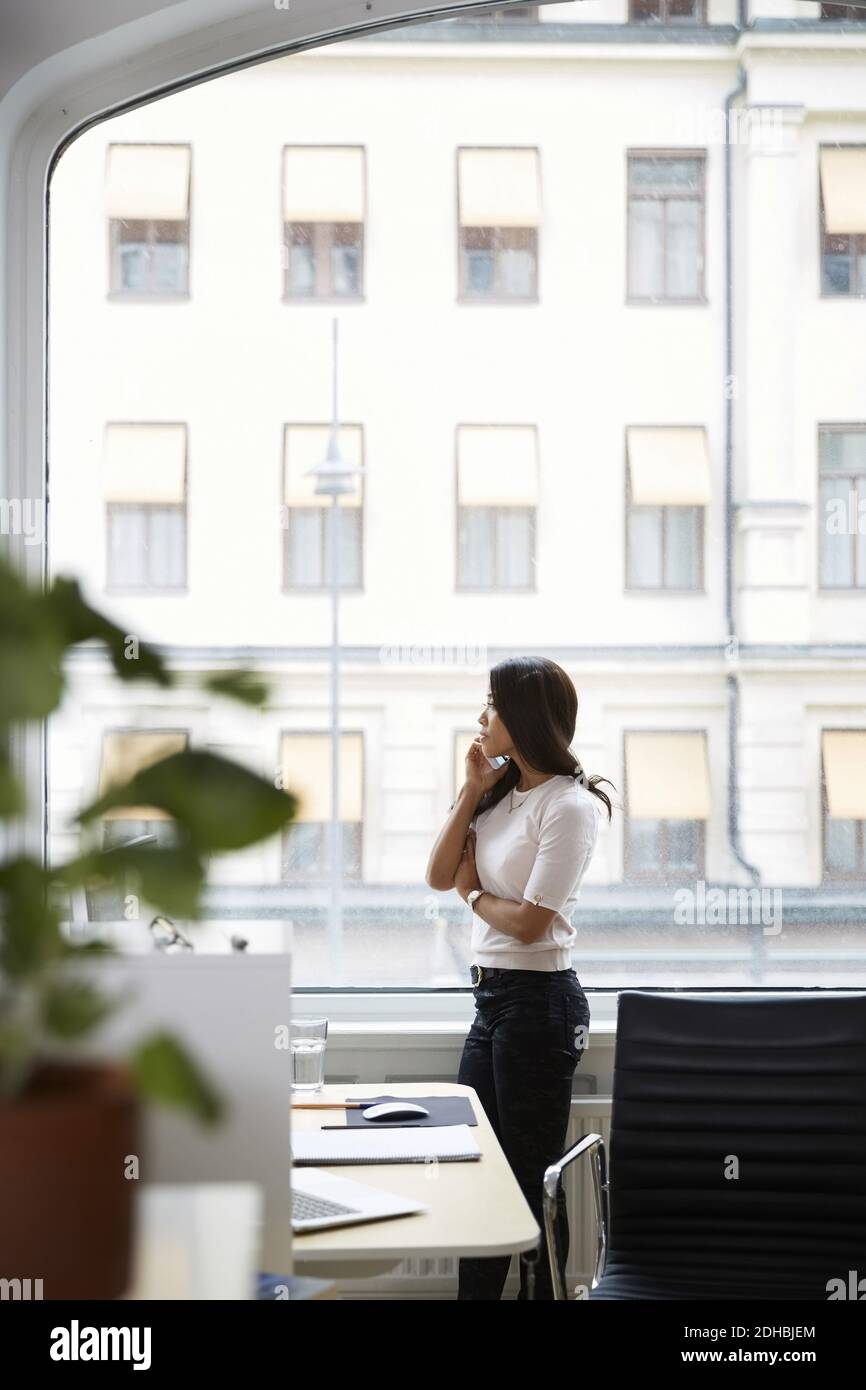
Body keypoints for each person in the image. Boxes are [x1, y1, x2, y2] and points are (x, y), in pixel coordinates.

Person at [425, 655, 614, 1300]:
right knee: (478, 1167)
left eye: (492, 704)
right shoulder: (506, 795)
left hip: (539, 1003)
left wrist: (474, 896)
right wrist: (471, 790)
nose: (481, 717)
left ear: (524, 717)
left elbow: (532, 924)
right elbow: (439, 871)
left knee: (534, 1181)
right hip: (493, 1000)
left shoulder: (569, 806)